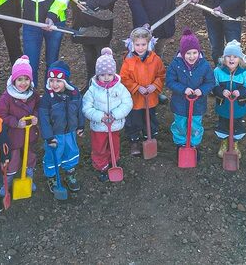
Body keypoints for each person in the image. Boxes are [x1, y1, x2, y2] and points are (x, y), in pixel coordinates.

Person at [82, 48, 133, 182]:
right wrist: (100, 116)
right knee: (99, 147)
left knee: (114, 145)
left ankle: (114, 161)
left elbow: (127, 103)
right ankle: (101, 166)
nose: (106, 77)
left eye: (109, 74)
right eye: (102, 74)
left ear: (114, 74)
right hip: (99, 126)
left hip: (114, 125)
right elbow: (86, 108)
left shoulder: (120, 88)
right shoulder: (92, 90)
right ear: (97, 74)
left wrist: (115, 114)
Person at [166, 29, 215, 161]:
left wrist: (202, 90)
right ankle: (181, 143)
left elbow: (210, 81)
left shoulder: (204, 65)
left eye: (194, 53)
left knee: (195, 125)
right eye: (188, 53)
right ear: (182, 53)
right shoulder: (176, 65)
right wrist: (183, 89)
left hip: (197, 104)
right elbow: (170, 81)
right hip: (180, 103)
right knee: (180, 125)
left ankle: (194, 145)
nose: (192, 56)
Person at [38, 61, 84, 195]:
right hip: (55, 135)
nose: (54, 84)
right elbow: (44, 119)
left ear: (66, 81)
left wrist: (81, 125)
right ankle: (52, 176)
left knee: (71, 152)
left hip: (70, 132)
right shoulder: (47, 99)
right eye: (51, 80)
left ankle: (70, 173)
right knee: (53, 156)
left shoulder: (74, 94)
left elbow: (79, 110)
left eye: (58, 81)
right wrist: (48, 137)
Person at [0, 56, 39, 191]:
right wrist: (15, 122)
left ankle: (28, 179)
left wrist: (36, 117)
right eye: (20, 79)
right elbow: (0, 115)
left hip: (29, 134)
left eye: (26, 79)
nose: (23, 83)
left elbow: (38, 107)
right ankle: (6, 183)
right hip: (13, 136)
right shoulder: (7, 97)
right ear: (14, 80)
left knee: (29, 157)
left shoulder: (33, 94)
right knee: (12, 161)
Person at [120, 27, 166, 156]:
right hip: (135, 98)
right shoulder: (128, 60)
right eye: (137, 45)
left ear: (149, 44)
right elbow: (124, 78)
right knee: (134, 120)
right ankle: (134, 140)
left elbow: (161, 75)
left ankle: (149, 136)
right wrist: (136, 87)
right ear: (132, 44)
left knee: (150, 119)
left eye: (143, 44)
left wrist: (154, 86)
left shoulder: (155, 60)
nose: (140, 47)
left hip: (150, 98)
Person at [212, 40, 246, 160]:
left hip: (238, 107)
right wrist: (221, 91)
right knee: (222, 125)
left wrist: (240, 93)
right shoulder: (218, 71)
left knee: (237, 126)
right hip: (223, 106)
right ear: (223, 58)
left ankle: (235, 143)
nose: (231, 59)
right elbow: (213, 85)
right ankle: (224, 142)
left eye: (235, 57)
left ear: (240, 59)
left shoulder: (245, 73)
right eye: (228, 56)